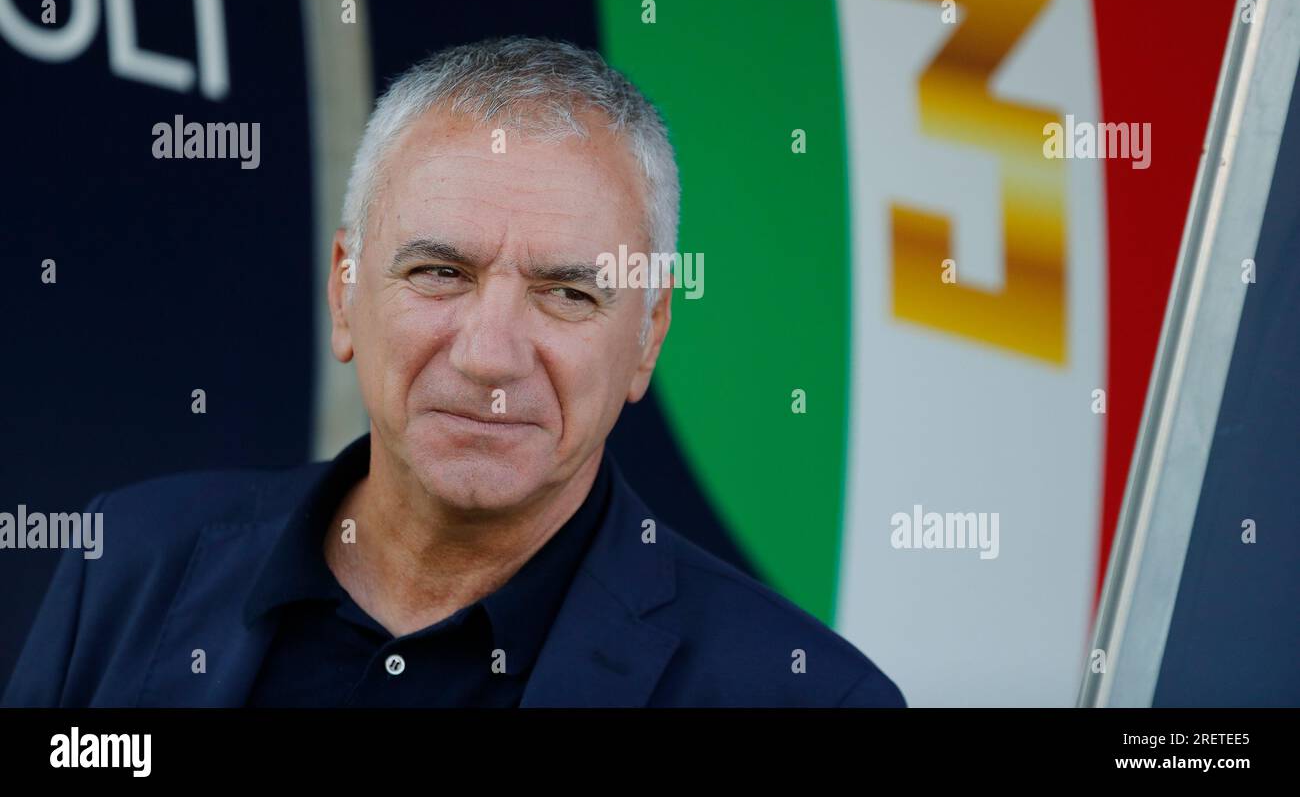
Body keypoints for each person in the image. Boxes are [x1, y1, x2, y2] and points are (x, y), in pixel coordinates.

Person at [3, 37, 904, 707]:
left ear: (648, 336)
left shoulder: (804, 698)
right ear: (345, 290)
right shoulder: (123, 565)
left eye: (566, 294)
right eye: (441, 273)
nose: (489, 357)